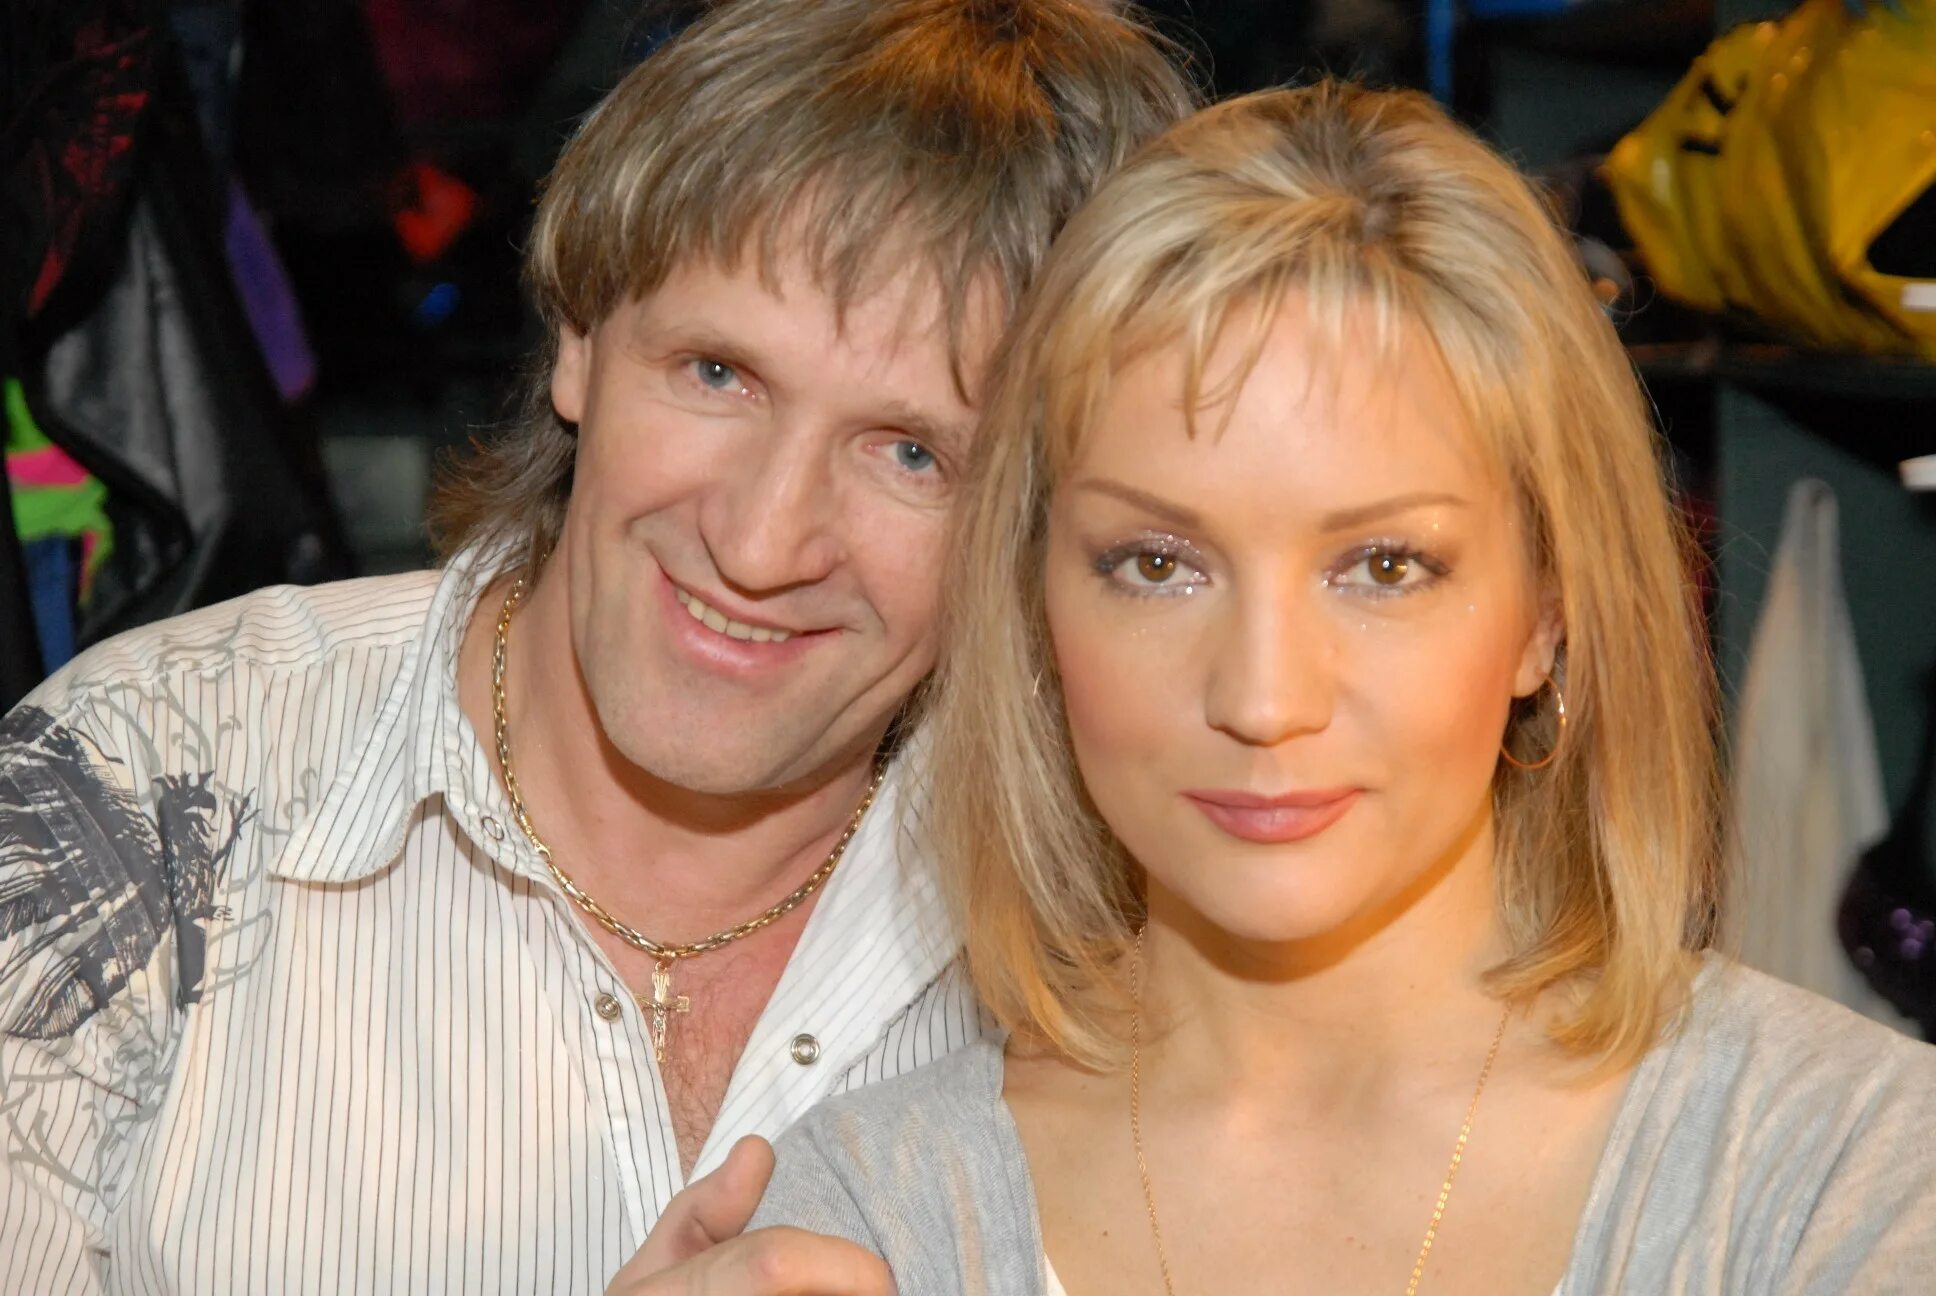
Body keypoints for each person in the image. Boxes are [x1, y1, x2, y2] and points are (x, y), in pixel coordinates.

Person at [0, 3, 1195, 1292]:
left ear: (1038, 512)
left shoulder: (1133, 916)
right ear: (578, 338)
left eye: (913, 453)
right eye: (718, 374)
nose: (761, 541)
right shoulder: (124, 803)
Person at [747, 81, 1936, 1293]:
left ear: (1547, 608)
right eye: (1157, 565)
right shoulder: (866, 1218)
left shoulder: (1847, 1175)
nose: (1264, 701)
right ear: (1037, 604)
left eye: (1382, 567)